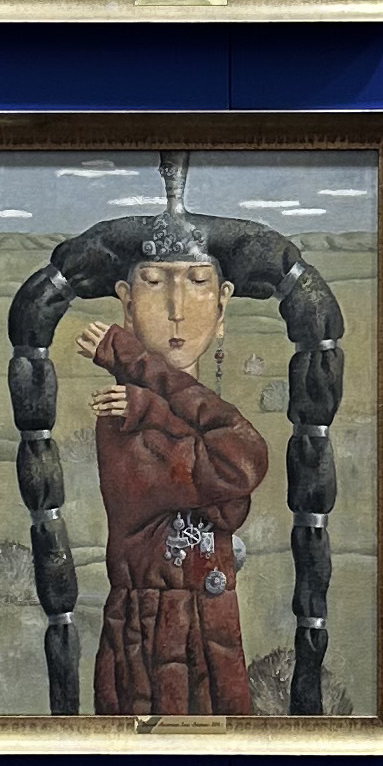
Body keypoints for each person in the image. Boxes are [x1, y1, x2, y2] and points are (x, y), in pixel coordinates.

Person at [77, 201, 269, 715]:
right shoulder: (122, 417)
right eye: (155, 282)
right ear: (126, 302)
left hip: (212, 626)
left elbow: (230, 503)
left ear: (223, 307)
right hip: (153, 636)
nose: (177, 308)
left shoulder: (155, 411)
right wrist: (142, 381)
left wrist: (149, 384)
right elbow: (243, 460)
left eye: (198, 281)